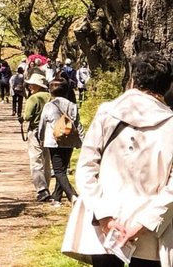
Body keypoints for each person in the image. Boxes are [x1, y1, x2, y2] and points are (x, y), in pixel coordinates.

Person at [64, 52, 173, 267]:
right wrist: (145, 222)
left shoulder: (108, 113)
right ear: (168, 86)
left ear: (133, 80)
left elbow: (86, 167)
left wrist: (105, 216)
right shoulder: (170, 123)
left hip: (106, 230)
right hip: (151, 235)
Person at [40, 77, 84, 206]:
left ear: (51, 92)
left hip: (53, 140)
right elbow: (78, 124)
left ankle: (73, 195)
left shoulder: (49, 106)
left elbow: (42, 124)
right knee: (62, 169)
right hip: (69, 139)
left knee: (58, 171)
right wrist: (81, 140)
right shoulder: (72, 105)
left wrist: (40, 137)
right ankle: (56, 198)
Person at [20, 73, 52, 202]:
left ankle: (41, 189)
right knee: (47, 160)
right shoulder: (51, 96)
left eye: (32, 84)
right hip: (49, 132)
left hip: (35, 131)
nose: (29, 86)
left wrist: (21, 119)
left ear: (37, 85)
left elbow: (27, 117)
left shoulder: (33, 99)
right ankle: (47, 186)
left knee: (36, 160)